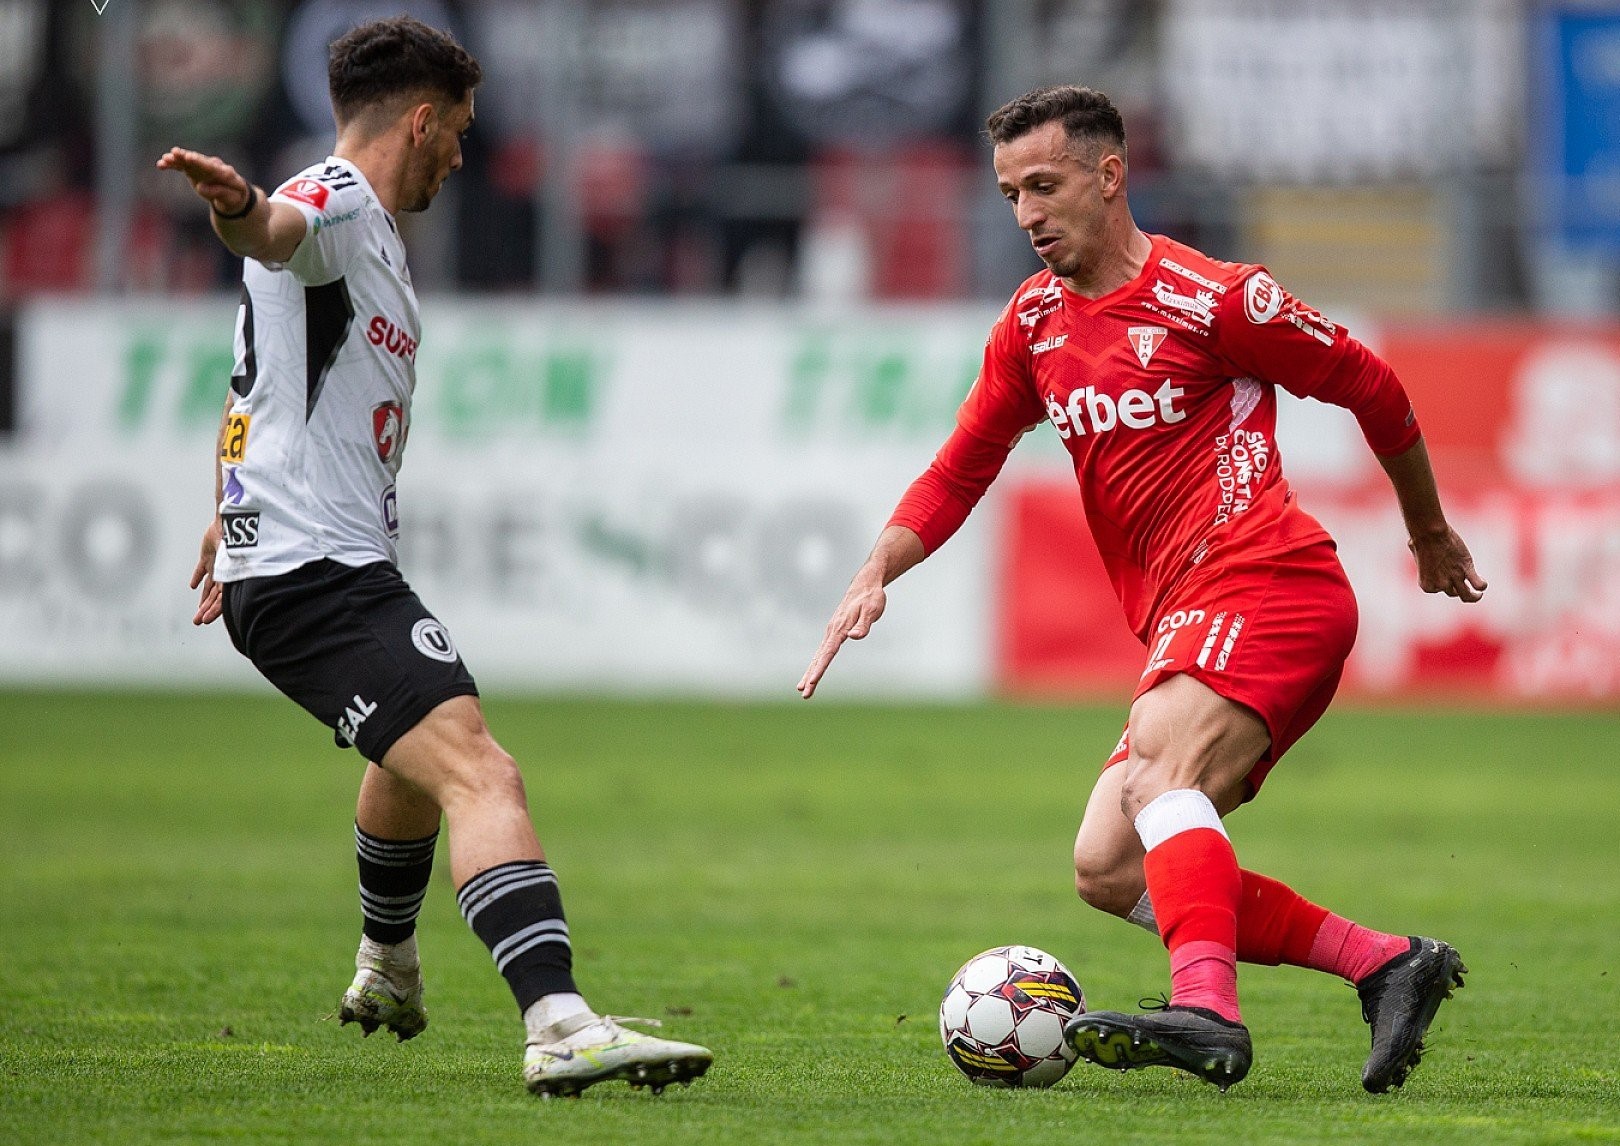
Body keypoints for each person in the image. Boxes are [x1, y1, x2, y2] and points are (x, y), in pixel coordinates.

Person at [798, 86, 1483, 1093]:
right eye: (1010, 194)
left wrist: (1427, 533)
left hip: (1269, 576)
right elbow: (961, 465)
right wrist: (874, 571)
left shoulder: (1218, 299)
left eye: (1044, 185)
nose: (1026, 213)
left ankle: (1206, 1008)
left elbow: (1370, 384)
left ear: (1110, 175)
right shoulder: (1033, 324)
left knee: (1163, 774)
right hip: (1188, 611)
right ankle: (1384, 963)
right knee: (1109, 864)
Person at [159, 16, 711, 1099]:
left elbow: (256, 380)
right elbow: (274, 229)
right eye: (457, 131)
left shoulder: (364, 231)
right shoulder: (335, 200)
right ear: (420, 121)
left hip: (317, 561)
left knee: (411, 754)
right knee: (481, 772)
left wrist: (230, 504)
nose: (461, 155)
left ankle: (388, 966)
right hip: (315, 573)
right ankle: (557, 1024)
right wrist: (236, 208)